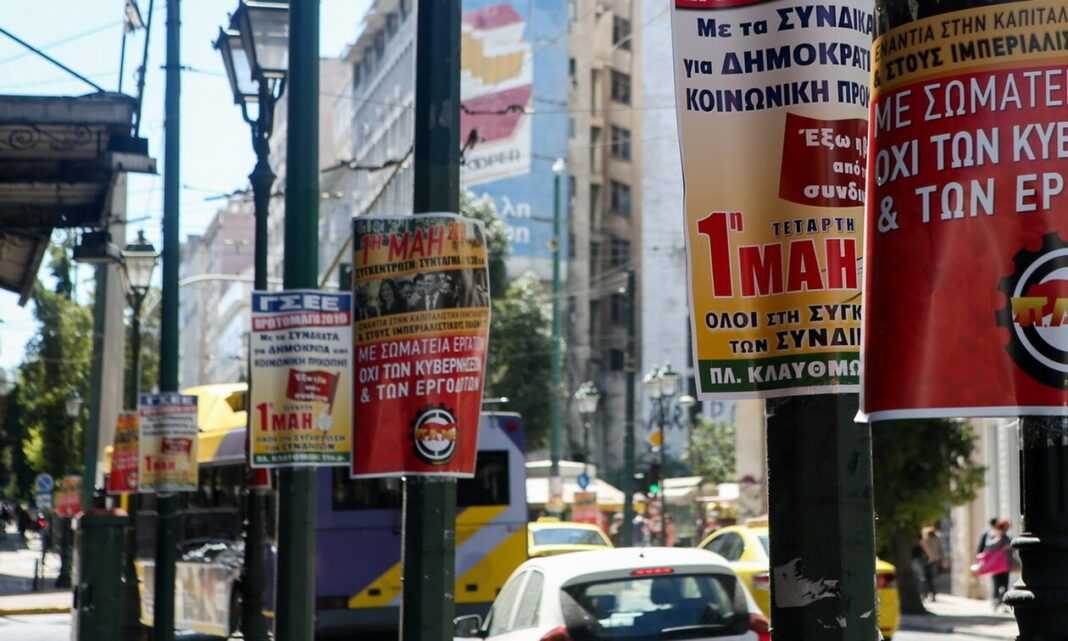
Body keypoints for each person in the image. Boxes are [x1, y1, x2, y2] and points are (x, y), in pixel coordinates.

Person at [983, 518, 1013, 610]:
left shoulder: (1007, 537)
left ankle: (1004, 603)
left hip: (1005, 565)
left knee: (1005, 584)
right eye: (1005, 528)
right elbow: (988, 546)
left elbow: (1012, 548)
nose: (1006, 530)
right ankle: (996, 602)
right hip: (996, 565)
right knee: (996, 584)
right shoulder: (994, 535)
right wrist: (998, 540)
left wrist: (1008, 547)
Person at [921, 526, 945, 601]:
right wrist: (942, 559)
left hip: (927, 561)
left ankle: (925, 594)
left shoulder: (925, 539)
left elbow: (924, 549)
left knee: (925, 579)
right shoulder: (937, 539)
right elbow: (941, 550)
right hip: (934, 560)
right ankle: (931, 595)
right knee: (931, 579)